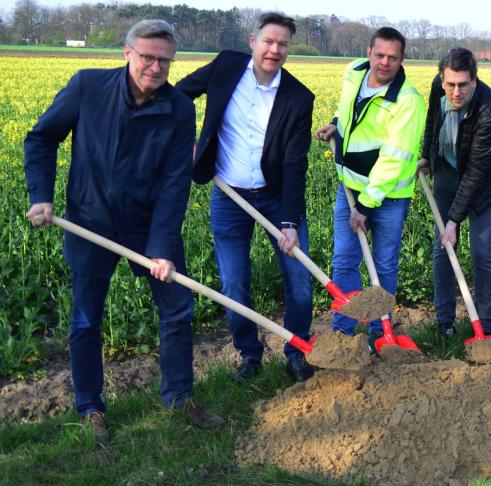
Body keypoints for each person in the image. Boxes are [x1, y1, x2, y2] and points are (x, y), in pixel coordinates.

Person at [24, 19, 222, 442]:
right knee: (85, 319)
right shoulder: (87, 88)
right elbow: (41, 139)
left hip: (147, 227)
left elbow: (174, 184)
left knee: (177, 308)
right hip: (88, 224)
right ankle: (90, 407)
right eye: (147, 57)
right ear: (127, 52)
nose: (155, 67)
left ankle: (178, 396)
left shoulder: (179, 109)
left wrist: (162, 247)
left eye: (164, 60)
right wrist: (41, 194)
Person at [176, 12, 316, 383]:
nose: (275, 49)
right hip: (229, 194)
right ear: (252, 40)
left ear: (289, 49)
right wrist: (184, 142)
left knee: (299, 279)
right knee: (234, 281)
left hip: (275, 196)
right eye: (268, 41)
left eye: (282, 44)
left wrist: (289, 222)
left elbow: (294, 163)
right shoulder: (225, 66)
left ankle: (297, 352)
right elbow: (178, 95)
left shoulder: (299, 98)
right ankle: (249, 356)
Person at [314, 27, 426, 345]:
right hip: (349, 185)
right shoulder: (353, 72)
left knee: (384, 263)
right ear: (369, 52)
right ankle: (344, 333)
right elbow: (347, 109)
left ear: (402, 60)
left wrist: (365, 205)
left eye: (393, 57)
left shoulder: (407, 101)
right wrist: (335, 125)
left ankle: (380, 332)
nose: (384, 62)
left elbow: (393, 159)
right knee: (345, 260)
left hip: (387, 196)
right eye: (380, 55)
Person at [420, 48, 491, 337]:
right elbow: (433, 118)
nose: (456, 92)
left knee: (481, 252)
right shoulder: (437, 86)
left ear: (475, 80)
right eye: (450, 84)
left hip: (481, 184)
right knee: (443, 248)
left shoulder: (489, 110)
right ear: (442, 79)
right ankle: (444, 321)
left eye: (463, 85)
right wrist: (425, 155)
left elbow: (476, 172)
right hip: (446, 172)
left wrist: (454, 221)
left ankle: (485, 324)